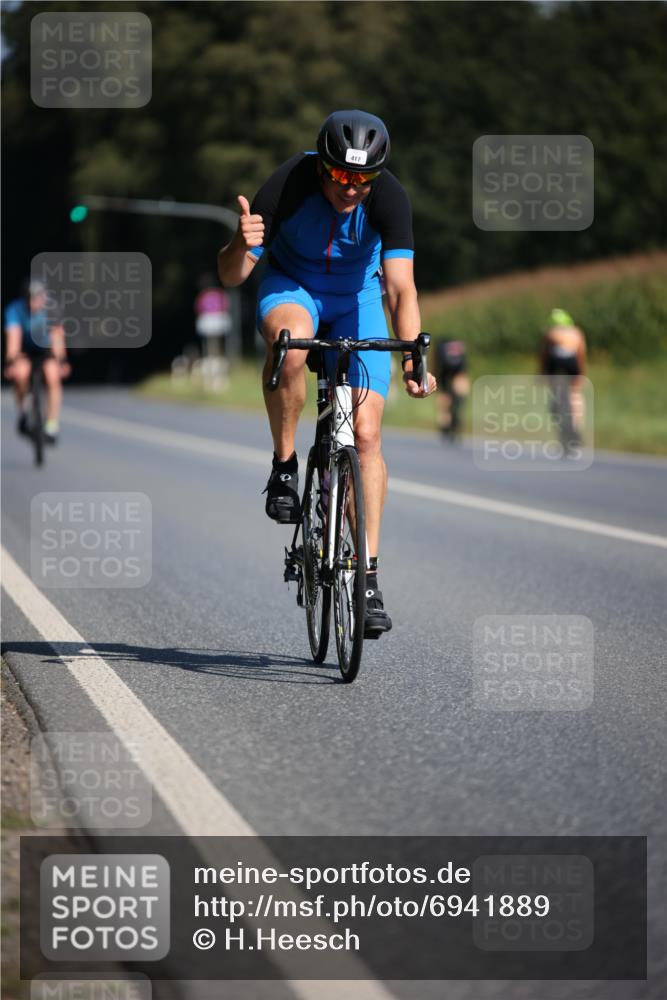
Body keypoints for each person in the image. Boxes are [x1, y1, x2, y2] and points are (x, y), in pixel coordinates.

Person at [217, 109, 436, 637]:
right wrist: (239, 244)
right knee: (290, 347)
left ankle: (367, 578)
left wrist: (412, 355)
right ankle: (286, 466)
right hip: (293, 288)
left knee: (366, 436)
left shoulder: (389, 198)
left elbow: (401, 287)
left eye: (362, 179)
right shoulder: (288, 183)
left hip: (356, 299)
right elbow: (231, 276)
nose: (351, 188)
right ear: (322, 167)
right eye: (341, 175)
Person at [3, 280, 70, 444]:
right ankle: (24, 411)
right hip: (25, 349)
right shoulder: (14, 309)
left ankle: (52, 424)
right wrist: (11, 362)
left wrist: (61, 360)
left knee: (53, 376)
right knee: (20, 374)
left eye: (38, 298)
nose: (34, 303)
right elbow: (13, 338)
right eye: (30, 299)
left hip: (46, 349)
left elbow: (57, 337)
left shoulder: (52, 308)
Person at [539, 308, 587, 440]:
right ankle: (576, 425)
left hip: (555, 361)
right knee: (575, 394)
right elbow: (581, 354)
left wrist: (542, 373)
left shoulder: (550, 333)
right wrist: (580, 375)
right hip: (572, 361)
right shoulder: (576, 332)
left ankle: (559, 416)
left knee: (556, 394)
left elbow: (544, 355)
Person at [434, 338, 469, 441]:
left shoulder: (440, 349)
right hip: (456, 371)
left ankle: (447, 423)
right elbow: (464, 370)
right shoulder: (456, 349)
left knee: (445, 400)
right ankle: (455, 421)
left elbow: (437, 367)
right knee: (457, 399)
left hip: (446, 372)